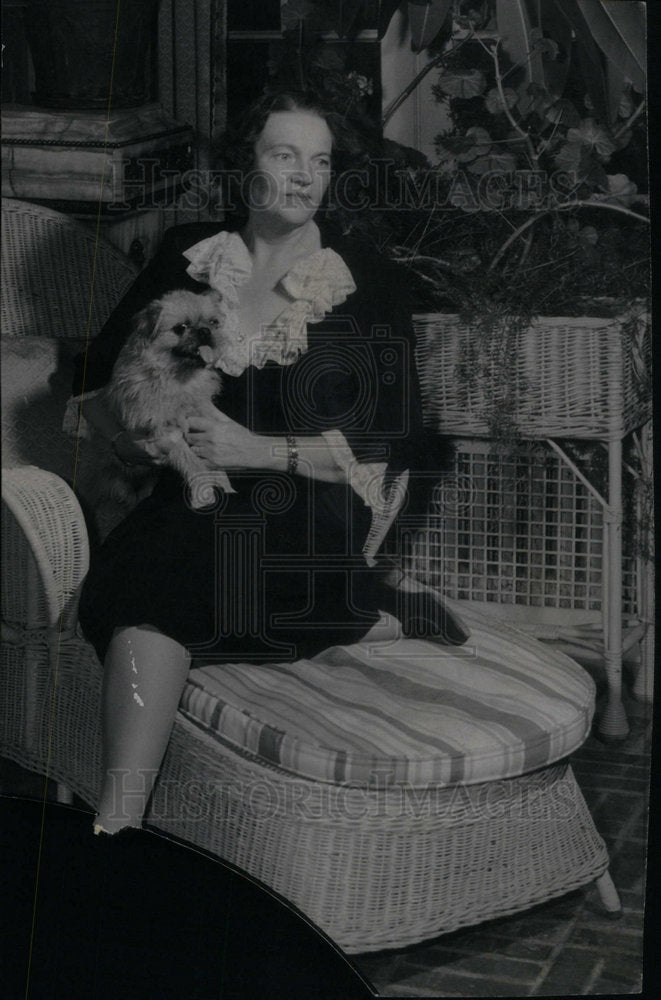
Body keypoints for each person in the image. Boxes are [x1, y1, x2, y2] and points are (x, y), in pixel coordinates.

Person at [69, 90, 464, 836]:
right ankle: (352, 617)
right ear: (243, 167)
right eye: (284, 155)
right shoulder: (188, 253)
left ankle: (114, 829)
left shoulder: (365, 278)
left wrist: (261, 449)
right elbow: (94, 370)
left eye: (318, 162)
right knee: (145, 572)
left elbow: (390, 441)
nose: (303, 176)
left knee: (160, 586)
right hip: (187, 498)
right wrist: (137, 426)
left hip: (304, 507)